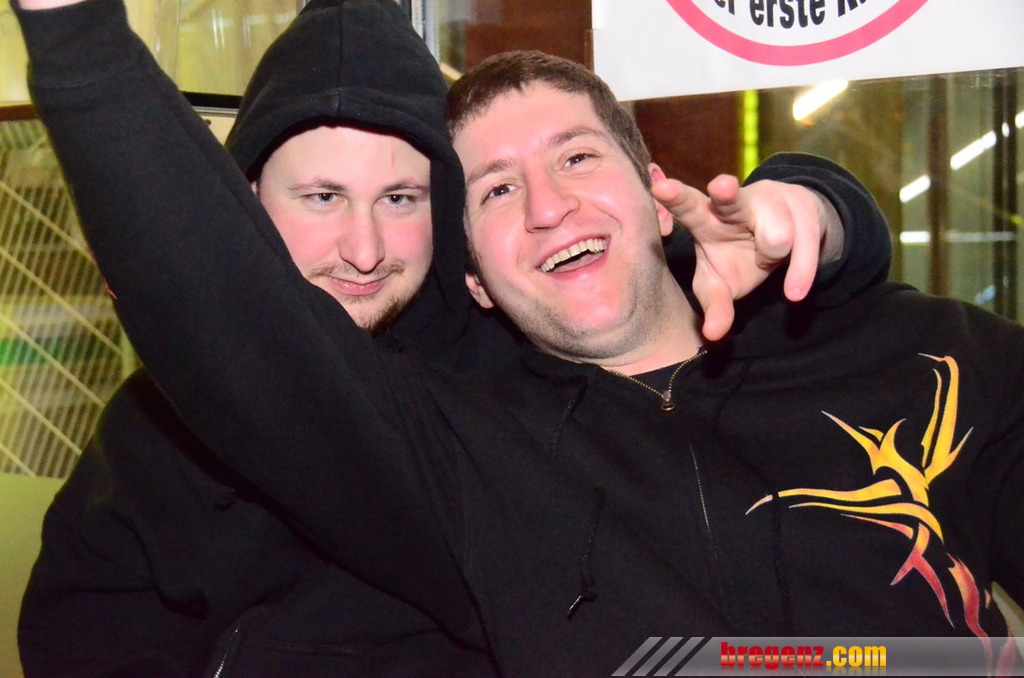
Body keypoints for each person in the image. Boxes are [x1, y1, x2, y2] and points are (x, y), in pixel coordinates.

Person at [13, 1, 947, 677]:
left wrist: (824, 204)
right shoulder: (155, 433)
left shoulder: (530, 363)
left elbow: (704, 268)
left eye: (402, 199)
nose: (364, 250)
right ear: (242, 208)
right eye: (322, 197)